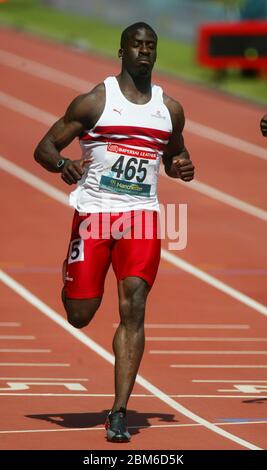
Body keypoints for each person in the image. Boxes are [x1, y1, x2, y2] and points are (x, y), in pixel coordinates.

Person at [34, 22, 194, 443]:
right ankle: (75, 275)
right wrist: (61, 164)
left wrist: (181, 167)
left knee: (135, 304)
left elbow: (176, 154)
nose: (144, 52)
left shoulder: (169, 108)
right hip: (95, 215)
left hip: (141, 217)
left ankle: (119, 412)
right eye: (137, 46)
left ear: (155, 53)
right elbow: (44, 148)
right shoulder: (95, 102)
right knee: (79, 313)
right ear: (121, 52)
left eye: (150, 46)